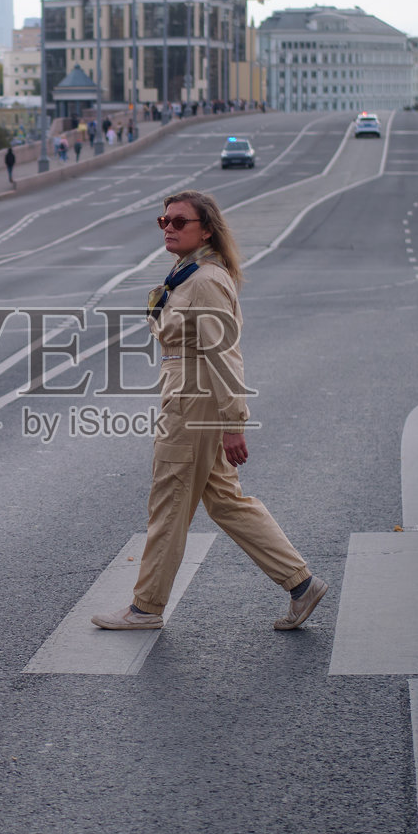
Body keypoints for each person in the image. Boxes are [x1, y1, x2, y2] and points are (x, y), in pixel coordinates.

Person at [92, 189, 327, 633]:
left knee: (169, 502)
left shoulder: (204, 280)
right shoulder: (187, 273)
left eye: (180, 221)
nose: (168, 228)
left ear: (206, 229)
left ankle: (145, 608)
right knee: (224, 501)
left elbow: (225, 353)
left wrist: (233, 424)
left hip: (194, 406)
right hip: (190, 399)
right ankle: (301, 585)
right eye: (163, 221)